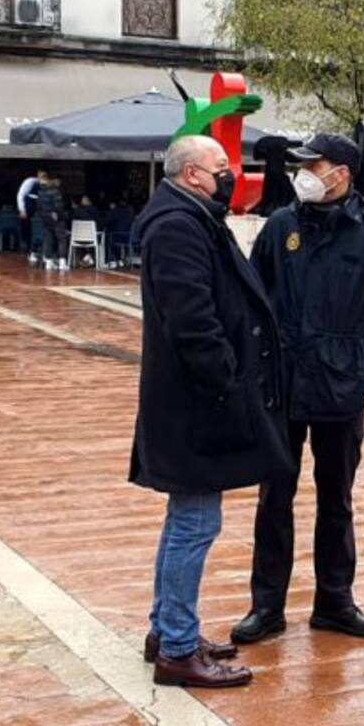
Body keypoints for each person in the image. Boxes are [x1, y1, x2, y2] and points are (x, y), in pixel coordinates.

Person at [131, 135, 295, 688]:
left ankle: (167, 629)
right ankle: (177, 649)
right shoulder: (179, 226)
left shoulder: (193, 217)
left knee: (186, 520)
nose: (232, 174)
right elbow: (192, 320)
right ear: (193, 174)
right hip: (197, 403)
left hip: (194, 399)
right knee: (196, 524)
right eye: (222, 167)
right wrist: (226, 378)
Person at [231, 133, 364, 645]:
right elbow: (253, 295)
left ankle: (334, 601)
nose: (304, 171)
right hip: (282, 386)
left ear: (342, 174)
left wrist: (356, 367)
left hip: (338, 389)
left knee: (337, 499)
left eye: (316, 163)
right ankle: (267, 606)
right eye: (303, 163)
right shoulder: (281, 226)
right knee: (273, 498)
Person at [37, 173, 69, 272]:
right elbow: (59, 206)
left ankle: (49, 263)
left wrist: (44, 215)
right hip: (56, 218)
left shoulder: (40, 193)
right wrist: (58, 214)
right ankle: (62, 263)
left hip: (45, 218)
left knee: (48, 239)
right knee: (61, 239)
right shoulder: (55, 192)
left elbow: (38, 206)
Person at [17, 172, 43, 264]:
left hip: (38, 217)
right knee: (28, 232)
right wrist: (22, 210)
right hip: (29, 214)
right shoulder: (30, 183)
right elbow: (20, 195)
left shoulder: (43, 190)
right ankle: (30, 251)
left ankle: (34, 252)